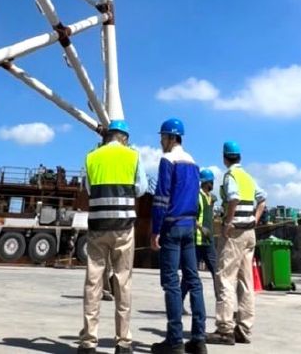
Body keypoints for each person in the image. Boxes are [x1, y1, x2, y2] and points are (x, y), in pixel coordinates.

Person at [79, 119, 148, 354]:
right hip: (123, 228)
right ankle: (123, 341)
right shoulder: (133, 156)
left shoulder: (91, 157)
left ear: (108, 136)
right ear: (125, 137)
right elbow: (141, 188)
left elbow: (88, 188)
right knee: (123, 282)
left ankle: (88, 341)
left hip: (97, 226)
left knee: (93, 281)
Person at [151, 117, 206, 354]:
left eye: (163, 137)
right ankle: (198, 339)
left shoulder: (167, 160)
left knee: (171, 283)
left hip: (172, 227)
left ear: (172, 137)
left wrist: (155, 229)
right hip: (189, 226)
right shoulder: (194, 163)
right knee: (193, 281)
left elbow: (161, 197)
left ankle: (174, 341)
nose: (161, 141)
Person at [207, 141, 266, 346]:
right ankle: (244, 328)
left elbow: (232, 198)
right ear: (239, 157)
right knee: (245, 281)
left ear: (224, 158)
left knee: (224, 277)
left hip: (235, 234)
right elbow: (263, 199)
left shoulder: (230, 176)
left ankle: (225, 330)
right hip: (249, 232)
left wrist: (227, 222)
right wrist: (255, 219)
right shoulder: (248, 177)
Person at [183, 169, 217, 308]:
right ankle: (179, 302)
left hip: (208, 242)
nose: (212, 184)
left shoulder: (211, 198)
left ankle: (222, 305)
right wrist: (201, 228)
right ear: (205, 183)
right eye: (211, 182)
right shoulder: (197, 197)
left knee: (217, 273)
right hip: (197, 242)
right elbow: (191, 216)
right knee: (189, 274)